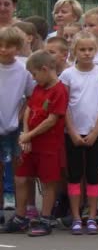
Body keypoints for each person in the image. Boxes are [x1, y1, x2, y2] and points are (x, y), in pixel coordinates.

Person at [7, 50, 68, 236]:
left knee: (48, 182)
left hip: (49, 145)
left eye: (34, 74)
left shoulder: (59, 90)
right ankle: (20, 216)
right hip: (30, 142)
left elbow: (51, 119)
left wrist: (30, 135)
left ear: (44, 69)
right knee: (21, 178)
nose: (33, 78)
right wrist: (25, 133)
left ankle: (46, 218)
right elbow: (28, 109)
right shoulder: (38, 88)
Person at [60, 31, 98, 235]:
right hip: (72, 134)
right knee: (74, 176)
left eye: (90, 49)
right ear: (75, 51)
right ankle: (75, 217)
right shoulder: (67, 75)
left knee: (92, 175)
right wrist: (72, 131)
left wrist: (96, 131)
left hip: (94, 135)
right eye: (82, 49)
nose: (87, 53)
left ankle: (91, 216)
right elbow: (63, 106)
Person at [0, 27, 35, 226]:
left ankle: (20, 214)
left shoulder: (23, 71)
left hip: (14, 127)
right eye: (1, 46)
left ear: (18, 47)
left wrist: (20, 115)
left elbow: (31, 97)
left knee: (17, 170)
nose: (4, 50)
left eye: (9, 46)